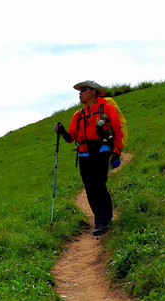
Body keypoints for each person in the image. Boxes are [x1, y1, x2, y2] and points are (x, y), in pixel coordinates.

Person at [54, 80, 124, 236]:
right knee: (90, 188)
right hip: (84, 152)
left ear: (93, 92)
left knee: (99, 183)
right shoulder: (78, 115)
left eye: (83, 90)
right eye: (79, 90)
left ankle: (104, 220)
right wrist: (62, 131)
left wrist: (117, 151)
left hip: (102, 148)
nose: (80, 93)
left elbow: (117, 131)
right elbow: (71, 137)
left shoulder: (106, 109)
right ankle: (99, 218)